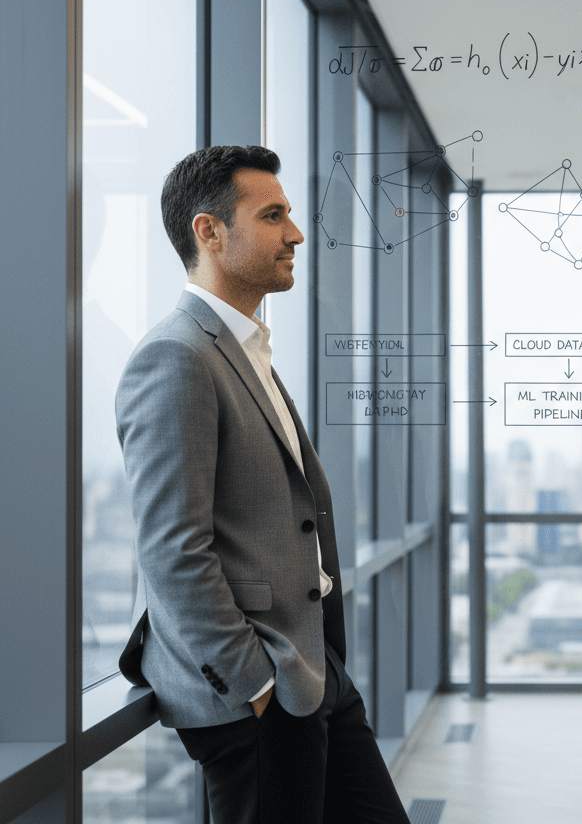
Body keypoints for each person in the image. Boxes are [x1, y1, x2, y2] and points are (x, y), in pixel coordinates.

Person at [115, 145, 410, 824]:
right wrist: (251, 683)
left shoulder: (245, 352)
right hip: (258, 691)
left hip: (311, 670)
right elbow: (172, 549)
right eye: (273, 216)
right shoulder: (176, 357)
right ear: (210, 232)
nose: (296, 234)